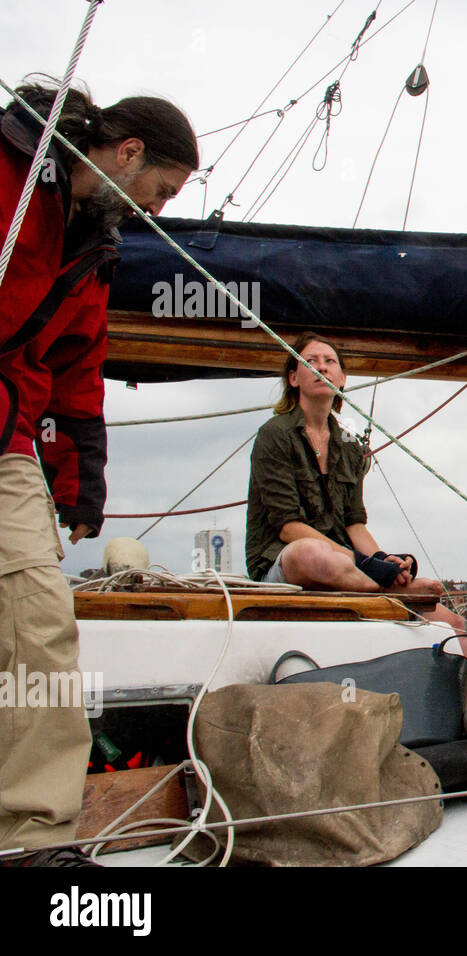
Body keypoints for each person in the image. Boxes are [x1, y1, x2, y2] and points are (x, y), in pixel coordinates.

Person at [1, 81, 198, 866]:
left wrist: (80, 481)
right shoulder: (12, 178)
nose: (158, 207)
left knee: (38, 621)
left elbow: (77, 367)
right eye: (160, 188)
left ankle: (29, 837)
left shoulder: (95, 246)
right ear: (126, 153)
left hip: (6, 432)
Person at [244, 332, 464, 628]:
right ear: (294, 378)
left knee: (453, 624)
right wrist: (367, 566)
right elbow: (288, 529)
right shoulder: (274, 435)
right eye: (310, 362)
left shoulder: (349, 445)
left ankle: (387, 584)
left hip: (345, 565)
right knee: (312, 552)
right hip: (283, 565)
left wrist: (385, 561)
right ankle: (389, 592)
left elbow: (354, 523)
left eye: (329, 361)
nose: (321, 367)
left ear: (342, 378)